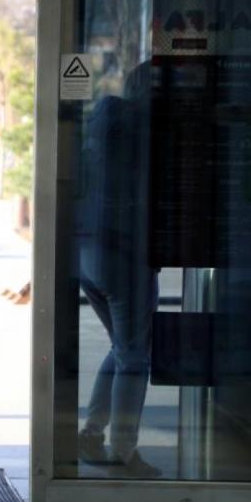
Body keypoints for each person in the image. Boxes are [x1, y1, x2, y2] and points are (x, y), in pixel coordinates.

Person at [76, 63, 160, 478]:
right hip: (125, 254)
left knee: (121, 347)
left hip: (89, 250)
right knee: (134, 357)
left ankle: (92, 432)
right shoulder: (144, 129)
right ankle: (124, 450)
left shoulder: (103, 121)